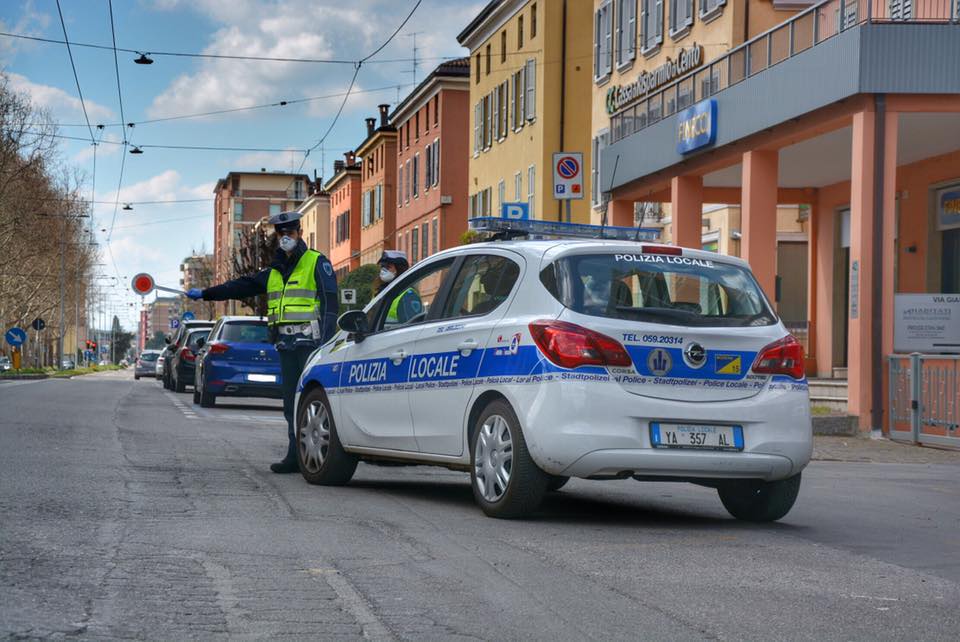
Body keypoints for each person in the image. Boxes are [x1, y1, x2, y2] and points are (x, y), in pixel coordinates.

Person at [186, 210, 338, 474]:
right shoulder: (274, 271)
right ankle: (295, 455)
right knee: (291, 403)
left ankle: (320, 456)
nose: (285, 238)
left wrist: (324, 344)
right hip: (286, 346)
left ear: (300, 233)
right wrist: (206, 294)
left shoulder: (317, 262)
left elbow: (330, 306)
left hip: (309, 345)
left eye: (289, 233)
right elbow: (240, 286)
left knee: (313, 402)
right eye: (281, 234)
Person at [375, 250, 422, 325]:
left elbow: (411, 327)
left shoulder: (408, 295)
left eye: (388, 267)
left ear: (400, 269)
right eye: (382, 267)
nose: (383, 270)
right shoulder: (382, 291)